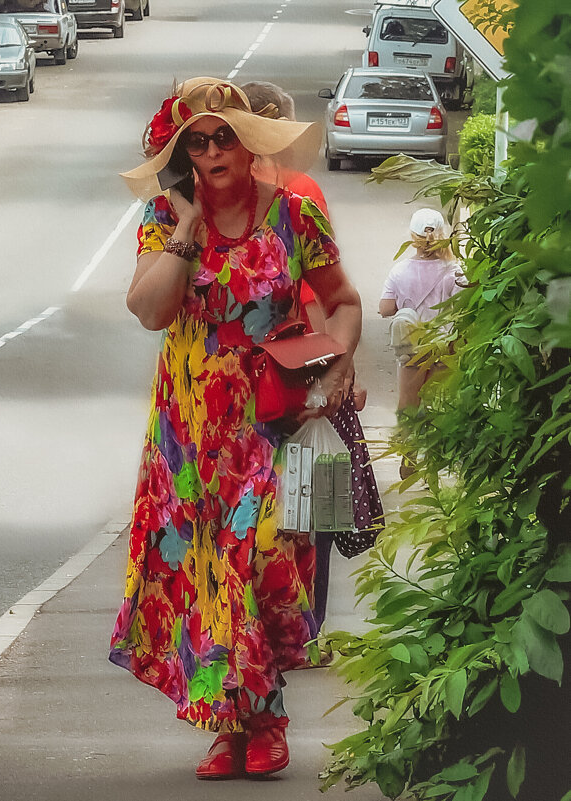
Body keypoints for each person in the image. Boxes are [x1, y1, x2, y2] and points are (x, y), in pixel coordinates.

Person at [109, 78, 363, 780]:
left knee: (258, 560)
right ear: (183, 153)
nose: (215, 148)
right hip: (189, 428)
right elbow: (151, 310)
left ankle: (266, 717)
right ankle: (231, 728)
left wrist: (335, 364)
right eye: (199, 139)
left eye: (226, 135)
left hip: (272, 417)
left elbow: (342, 302)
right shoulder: (165, 219)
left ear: (248, 140)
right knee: (205, 572)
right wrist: (188, 229)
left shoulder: (292, 214)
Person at [241, 80, 384, 631]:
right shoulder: (300, 192)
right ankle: (308, 625)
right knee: (312, 506)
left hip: (244, 381)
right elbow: (321, 296)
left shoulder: (221, 199)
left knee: (255, 508)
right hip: (301, 373)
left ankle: (256, 628)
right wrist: (339, 372)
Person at [379, 208, 464, 479]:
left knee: (408, 403)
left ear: (413, 237)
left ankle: (409, 456)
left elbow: (385, 308)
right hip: (443, 347)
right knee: (439, 406)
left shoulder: (400, 270)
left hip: (411, 350)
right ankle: (436, 466)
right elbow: (463, 307)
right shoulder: (454, 271)